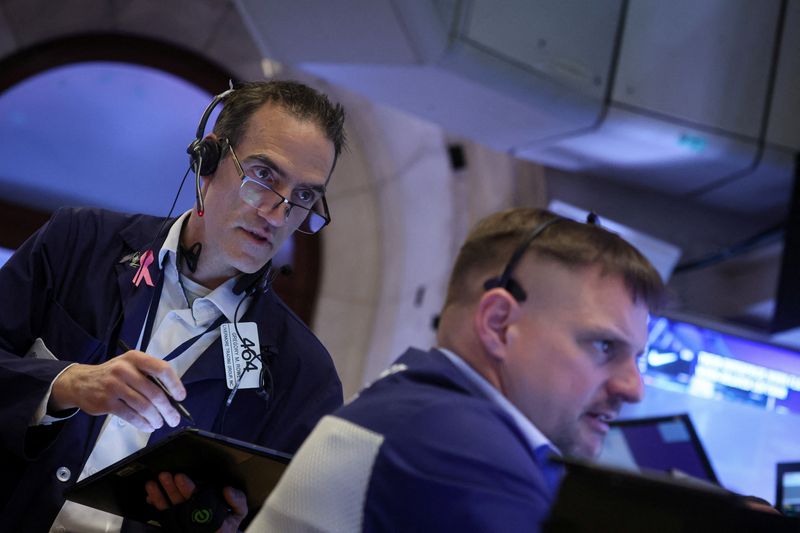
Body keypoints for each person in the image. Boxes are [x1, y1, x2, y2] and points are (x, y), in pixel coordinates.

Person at [0, 79, 347, 532]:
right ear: (207, 159)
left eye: (303, 196)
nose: (277, 214)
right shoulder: (77, 243)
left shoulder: (304, 376)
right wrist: (65, 385)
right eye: (263, 175)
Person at [247, 207, 667, 532]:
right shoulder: (459, 452)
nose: (633, 388)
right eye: (604, 345)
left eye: (637, 358)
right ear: (498, 324)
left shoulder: (423, 408)